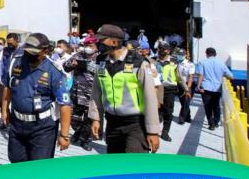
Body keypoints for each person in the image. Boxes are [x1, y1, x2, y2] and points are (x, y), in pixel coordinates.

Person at [88, 24, 160, 154]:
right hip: (112, 123)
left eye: (101, 40)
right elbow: (96, 92)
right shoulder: (101, 62)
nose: (97, 43)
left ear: (114, 42)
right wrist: (96, 118)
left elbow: (150, 98)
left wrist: (153, 131)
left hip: (135, 124)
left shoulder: (139, 63)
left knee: (134, 167)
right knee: (115, 166)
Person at [1, 33, 72, 163]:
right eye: (26, 51)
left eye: (33, 53)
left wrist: (64, 135)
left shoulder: (54, 70)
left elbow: (65, 105)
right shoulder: (16, 62)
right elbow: (8, 87)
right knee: (16, 161)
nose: (28, 55)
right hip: (17, 124)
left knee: (39, 167)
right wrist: (4, 111)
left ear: (45, 51)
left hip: (42, 128)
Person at [63, 36, 98, 150]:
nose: (88, 48)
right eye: (86, 46)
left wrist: (88, 66)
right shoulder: (78, 55)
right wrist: (71, 65)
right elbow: (65, 66)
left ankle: (85, 140)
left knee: (88, 120)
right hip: (76, 94)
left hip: (92, 96)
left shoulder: (101, 58)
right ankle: (78, 132)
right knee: (74, 119)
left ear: (96, 47)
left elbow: (104, 72)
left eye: (90, 46)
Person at [196, 47, 234, 130]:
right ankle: (216, 122)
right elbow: (231, 76)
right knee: (216, 105)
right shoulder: (221, 63)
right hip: (217, 88)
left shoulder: (202, 62)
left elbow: (201, 75)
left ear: (206, 54)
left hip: (206, 88)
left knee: (207, 106)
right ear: (215, 54)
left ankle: (211, 123)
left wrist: (198, 86)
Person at [155, 42, 177, 142]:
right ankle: (154, 131)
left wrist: (185, 88)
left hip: (169, 89)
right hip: (156, 88)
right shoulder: (153, 60)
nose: (160, 50)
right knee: (155, 110)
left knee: (168, 112)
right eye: (159, 48)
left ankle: (165, 132)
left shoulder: (174, 61)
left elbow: (179, 75)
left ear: (168, 50)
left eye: (162, 49)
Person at [175, 48, 195, 124]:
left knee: (186, 101)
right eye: (179, 54)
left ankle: (182, 118)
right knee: (183, 101)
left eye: (182, 55)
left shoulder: (190, 64)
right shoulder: (176, 63)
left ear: (185, 55)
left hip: (188, 84)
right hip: (180, 84)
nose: (180, 56)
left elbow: (191, 77)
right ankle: (188, 117)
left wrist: (188, 88)